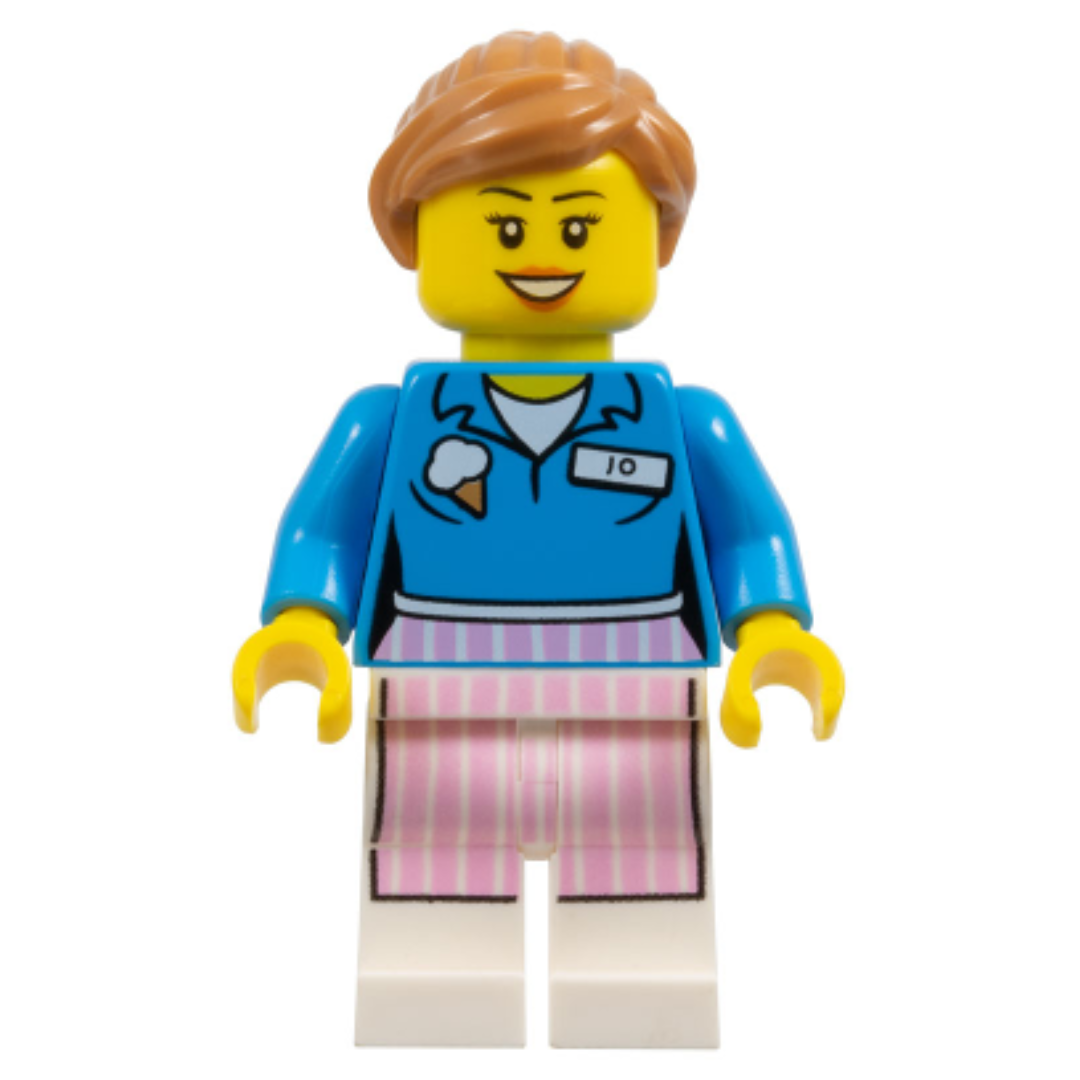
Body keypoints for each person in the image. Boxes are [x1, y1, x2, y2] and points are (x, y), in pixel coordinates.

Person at [232, 30, 844, 1049]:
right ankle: (434, 995)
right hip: (433, 678)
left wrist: (774, 632)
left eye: (582, 223)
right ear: (415, 235)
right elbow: (321, 530)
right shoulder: (391, 418)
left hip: (641, 680)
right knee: (427, 876)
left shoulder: (685, 419)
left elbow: (749, 539)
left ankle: (640, 1001)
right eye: (505, 226)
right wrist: (301, 623)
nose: (545, 254)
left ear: (656, 239)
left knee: (645, 883)